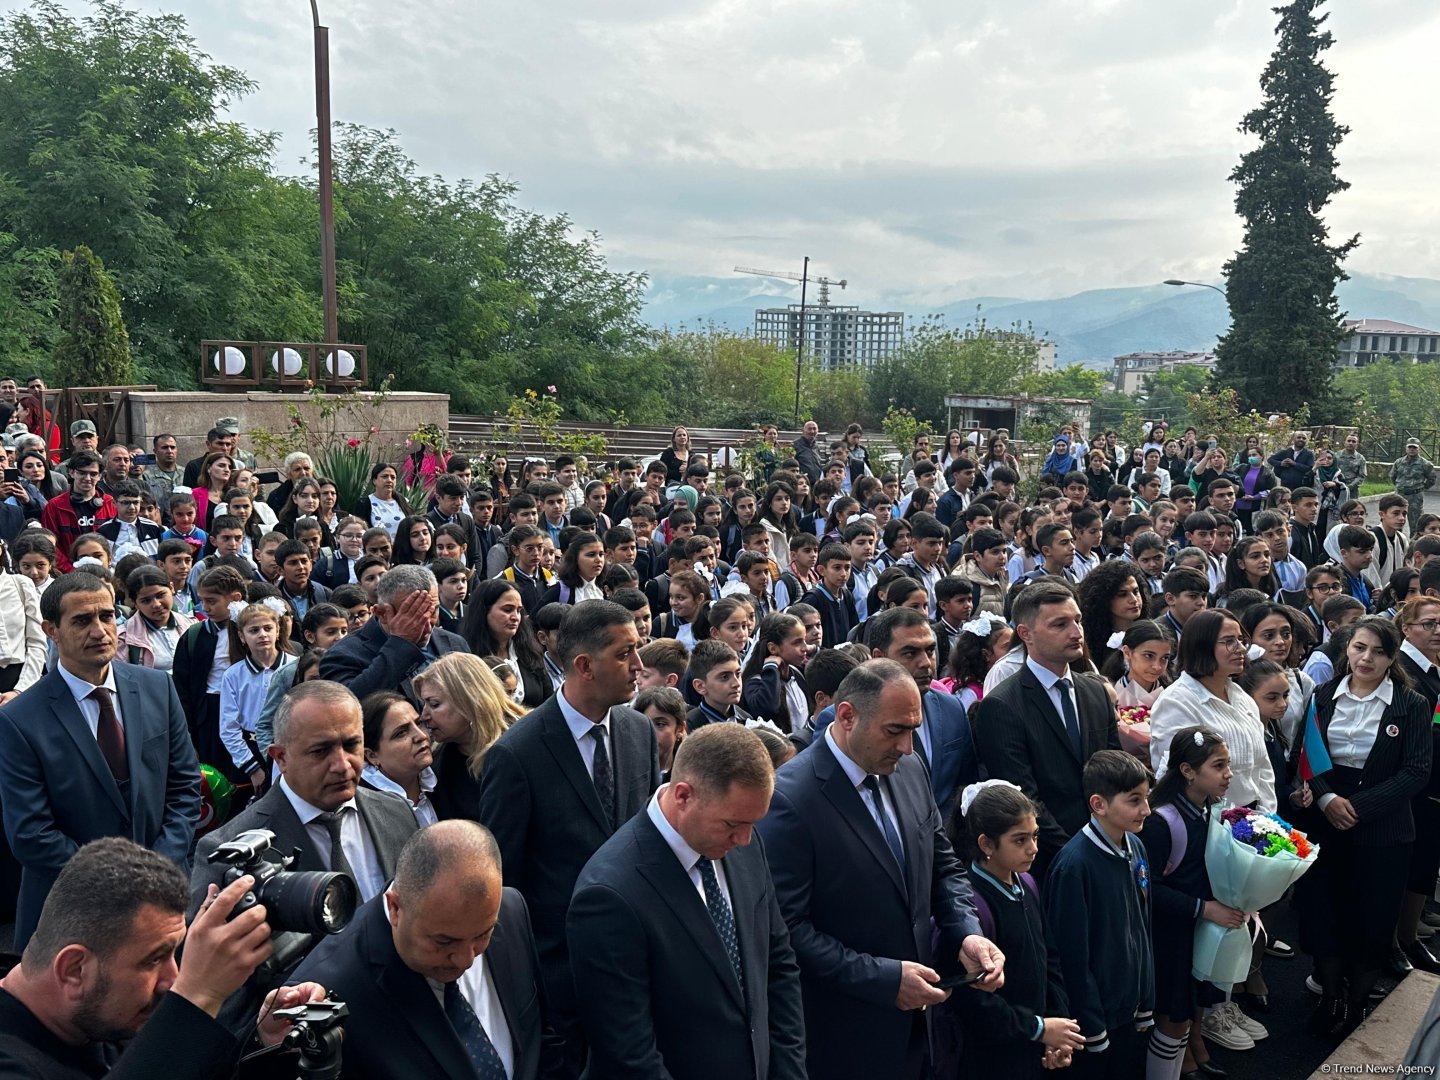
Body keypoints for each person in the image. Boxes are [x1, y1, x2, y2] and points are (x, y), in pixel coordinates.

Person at [756, 659, 1005, 1080]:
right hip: (844, 1038)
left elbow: (941, 865)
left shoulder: (908, 768)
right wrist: (884, 980)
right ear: (847, 715)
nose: (908, 746)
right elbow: (786, 931)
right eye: (895, 730)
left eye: (914, 729)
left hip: (921, 1028)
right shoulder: (788, 800)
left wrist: (967, 932)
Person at [475, 600, 660, 1073]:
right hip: (563, 983)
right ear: (584, 666)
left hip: (640, 964)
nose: (639, 666)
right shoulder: (517, 755)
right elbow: (504, 884)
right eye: (626, 654)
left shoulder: (638, 732)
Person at [568, 723, 806, 1080]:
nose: (744, 839)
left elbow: (778, 963)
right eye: (732, 824)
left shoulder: (743, 841)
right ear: (683, 796)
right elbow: (629, 1054)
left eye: (752, 824)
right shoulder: (609, 896)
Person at [0, 837, 326, 1080]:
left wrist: (261, 1041)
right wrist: (197, 997)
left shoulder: (96, 1017)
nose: (172, 980)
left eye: (174, 953)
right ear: (74, 970)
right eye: (153, 960)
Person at [191, 680, 417, 1024]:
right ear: (280, 757)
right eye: (321, 751)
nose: (342, 765)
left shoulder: (397, 812)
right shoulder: (229, 852)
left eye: (351, 745)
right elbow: (215, 992)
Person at [0, 573, 201, 951]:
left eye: (107, 616)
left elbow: (184, 787)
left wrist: (159, 868)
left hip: (163, 901)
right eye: (81, 621)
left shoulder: (158, 687)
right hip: (73, 918)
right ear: (51, 629)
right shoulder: (18, 720)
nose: (100, 630)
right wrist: (123, 881)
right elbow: (31, 835)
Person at [291, 821, 552, 1080]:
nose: (467, 959)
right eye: (444, 942)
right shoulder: (328, 992)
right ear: (395, 908)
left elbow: (544, 1042)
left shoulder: (511, 910)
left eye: (483, 935)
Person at [1291, 617, 1432, 1037]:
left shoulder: (1411, 703)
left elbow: (1416, 771)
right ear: (1346, 649)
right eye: (1358, 648)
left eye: (1378, 651)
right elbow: (1306, 754)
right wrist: (1327, 798)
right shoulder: (1324, 695)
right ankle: (1331, 995)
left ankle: (1356, 1006)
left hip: (1382, 826)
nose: (1366, 658)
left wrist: (1356, 806)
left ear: (1392, 658)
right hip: (1326, 817)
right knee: (1325, 914)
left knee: (1372, 919)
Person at [972, 581, 1122, 875]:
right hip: (1050, 862)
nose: (1076, 632)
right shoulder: (1002, 705)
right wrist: (1078, 853)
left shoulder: (1095, 692)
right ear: (1026, 634)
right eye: (1060, 624)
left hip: (1108, 847)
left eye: (1077, 621)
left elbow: (1114, 771)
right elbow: (1023, 797)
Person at [934, 781, 1082, 1079]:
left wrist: (1057, 1029)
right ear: (986, 844)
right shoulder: (971, 908)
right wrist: (1038, 1029)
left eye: (1035, 836)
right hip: (992, 1059)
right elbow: (974, 1003)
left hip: (1033, 1046)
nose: (1034, 848)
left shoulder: (1027, 883)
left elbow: (1049, 960)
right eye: (1020, 840)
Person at [1044, 750, 1156, 1079]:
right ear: (1099, 804)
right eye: (1134, 800)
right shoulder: (1073, 866)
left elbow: (1143, 928)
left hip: (1128, 1006)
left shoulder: (1137, 848)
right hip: (1095, 1019)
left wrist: (1146, 998)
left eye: (1147, 798)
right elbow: (1071, 956)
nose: (1146, 810)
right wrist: (1091, 1025)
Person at [1141, 727, 1243, 1080]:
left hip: (1195, 927)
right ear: (1187, 771)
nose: (1228, 774)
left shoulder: (1209, 810)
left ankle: (1186, 1059)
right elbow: (1148, 889)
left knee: (1189, 1005)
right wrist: (1204, 908)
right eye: (1218, 766)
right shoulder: (1162, 822)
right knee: (1172, 1014)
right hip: (1170, 933)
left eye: (1228, 764)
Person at [1148, 610, 1275, 812]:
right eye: (1229, 641)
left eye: (1241, 640)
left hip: (1254, 818)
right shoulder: (1176, 702)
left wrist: (1267, 817)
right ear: (1202, 646)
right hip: (1209, 821)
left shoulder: (1241, 696)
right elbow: (1177, 778)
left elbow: (1262, 766)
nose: (1241, 649)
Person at [318, 565, 469, 703]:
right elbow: (350, 705)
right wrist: (401, 644)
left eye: (433, 610)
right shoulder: (342, 656)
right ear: (381, 613)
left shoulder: (454, 643)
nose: (426, 622)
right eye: (412, 613)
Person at [412, 652, 525, 823]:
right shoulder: (435, 762)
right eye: (424, 704)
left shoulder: (523, 746)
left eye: (434, 704)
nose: (424, 715)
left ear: (469, 701)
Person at [359, 690, 438, 827]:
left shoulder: (444, 774)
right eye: (401, 733)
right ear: (372, 756)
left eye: (419, 723)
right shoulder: (363, 811)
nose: (421, 736)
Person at [1392, 438, 1435, 532]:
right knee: (1396, 522)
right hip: (1400, 496)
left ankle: (1414, 545)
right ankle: (1397, 543)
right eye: (1410, 447)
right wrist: (1400, 486)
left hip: (1415, 497)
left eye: (1414, 447)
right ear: (1406, 448)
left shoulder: (1425, 464)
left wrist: (1421, 487)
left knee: (1416, 525)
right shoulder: (1399, 462)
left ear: (1419, 448)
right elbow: (1393, 476)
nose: (1412, 449)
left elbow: (1432, 479)